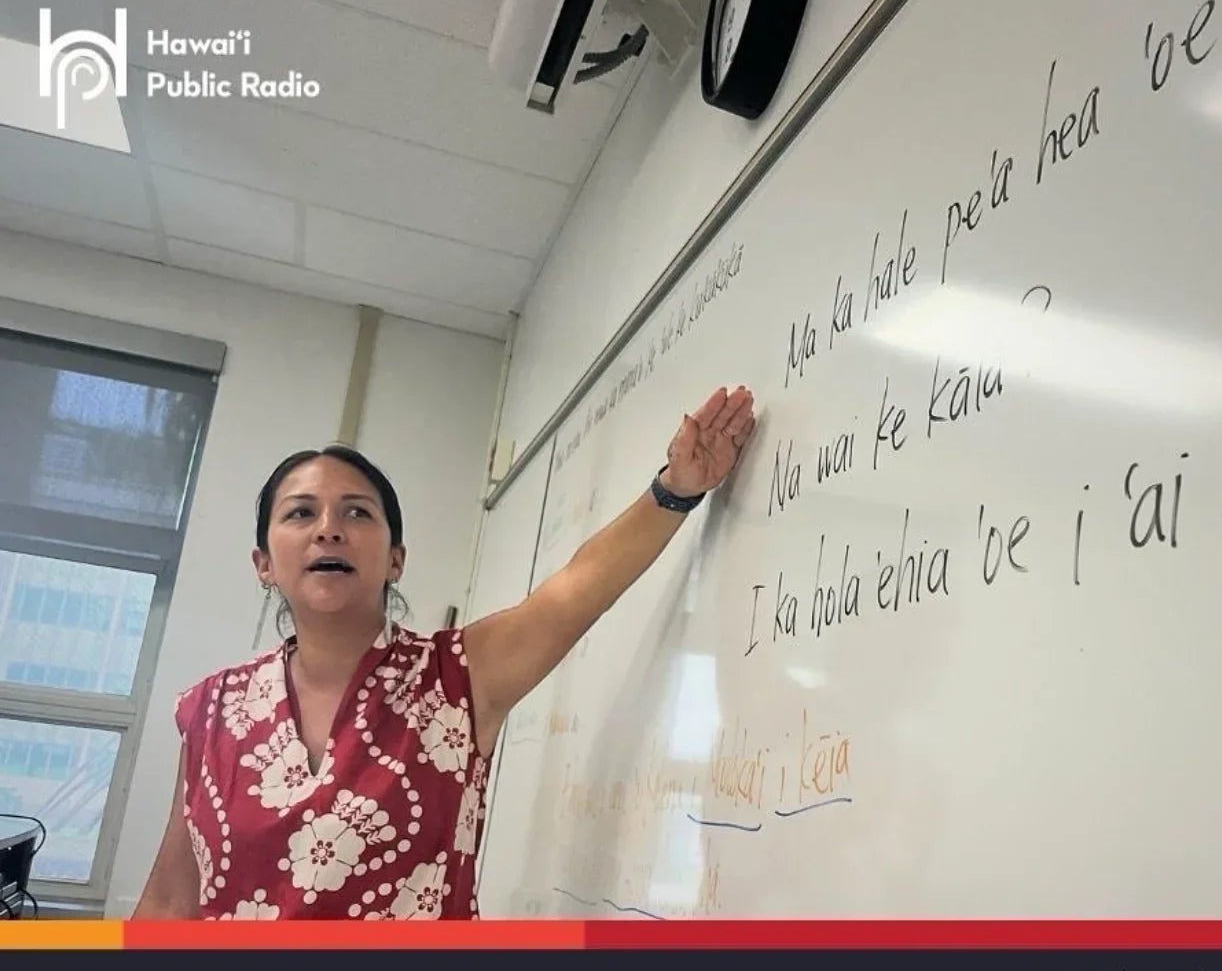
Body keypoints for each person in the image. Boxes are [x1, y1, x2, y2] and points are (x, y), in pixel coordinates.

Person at [132, 385, 757, 921]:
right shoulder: (212, 709)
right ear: (264, 563)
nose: (329, 528)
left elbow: (574, 592)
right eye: (301, 513)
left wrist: (675, 490)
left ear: (394, 560)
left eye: (357, 512)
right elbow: (168, 899)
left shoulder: (456, 679)